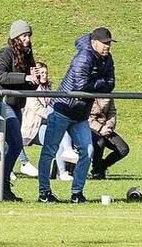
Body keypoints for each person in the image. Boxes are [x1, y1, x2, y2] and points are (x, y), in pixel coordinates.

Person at [38, 26, 115, 203]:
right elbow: (81, 86)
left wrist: (97, 82)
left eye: (109, 43)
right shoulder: (83, 57)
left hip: (81, 115)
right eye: (104, 43)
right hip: (63, 110)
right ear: (94, 42)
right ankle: (44, 192)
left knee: (87, 151)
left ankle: (77, 193)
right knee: (49, 151)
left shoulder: (107, 59)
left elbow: (111, 84)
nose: (107, 47)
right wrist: (101, 83)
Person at [0, 20, 45, 201]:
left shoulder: (27, 55)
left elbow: (28, 87)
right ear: (15, 37)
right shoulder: (5, 52)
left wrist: (36, 80)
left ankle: (2, 186)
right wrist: (25, 76)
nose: (27, 39)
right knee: (13, 144)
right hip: (0, 103)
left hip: (17, 104)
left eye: (29, 36)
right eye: (24, 36)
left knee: (12, 146)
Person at [90, 97, 129, 176]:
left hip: (106, 127)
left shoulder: (107, 93)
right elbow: (85, 116)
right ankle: (97, 171)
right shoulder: (87, 93)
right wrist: (100, 128)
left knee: (123, 149)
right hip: (89, 128)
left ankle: (102, 166)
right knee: (100, 142)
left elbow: (112, 112)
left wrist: (109, 126)